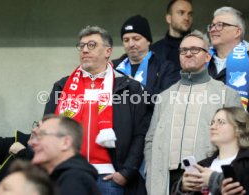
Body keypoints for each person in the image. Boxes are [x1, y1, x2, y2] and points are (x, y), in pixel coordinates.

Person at [43, 26, 148, 195]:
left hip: (110, 177)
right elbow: (46, 130)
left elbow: (140, 133)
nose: (84, 50)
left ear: (108, 51)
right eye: (82, 46)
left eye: (91, 45)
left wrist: (126, 172)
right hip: (69, 173)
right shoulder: (62, 86)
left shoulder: (128, 88)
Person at [144, 30, 242, 195]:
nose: (188, 54)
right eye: (183, 50)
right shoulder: (164, 97)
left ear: (208, 56)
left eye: (195, 49)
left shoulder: (226, 94)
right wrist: (152, 172)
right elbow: (151, 141)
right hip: (166, 182)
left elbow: (239, 139)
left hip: (206, 179)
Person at [207, 6, 249, 149]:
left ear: (237, 31)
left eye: (220, 25)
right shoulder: (202, 66)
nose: (213, 29)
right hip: (205, 150)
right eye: (212, 25)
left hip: (245, 149)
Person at [176, 107, 249, 194]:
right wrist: (183, 189)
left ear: (239, 129)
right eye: (212, 123)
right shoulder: (202, 165)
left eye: (220, 122)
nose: (213, 127)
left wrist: (212, 179)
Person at [28, 115, 100, 195]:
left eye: (41, 136)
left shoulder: (73, 181)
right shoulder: (60, 178)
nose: (32, 143)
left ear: (65, 143)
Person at [113, 14, 179, 97]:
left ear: (148, 41)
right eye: (126, 40)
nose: (131, 44)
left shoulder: (166, 68)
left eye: (136, 39)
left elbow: (168, 100)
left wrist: (138, 88)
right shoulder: (112, 67)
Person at [150, 0, 193, 72]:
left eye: (190, 14)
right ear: (169, 18)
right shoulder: (154, 51)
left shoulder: (201, 48)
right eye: (181, 13)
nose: (187, 18)